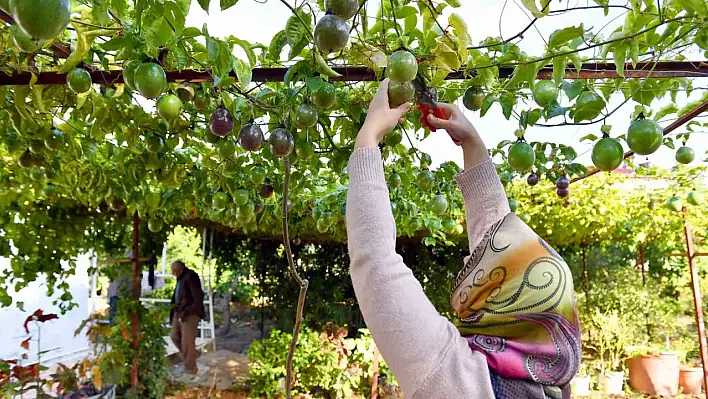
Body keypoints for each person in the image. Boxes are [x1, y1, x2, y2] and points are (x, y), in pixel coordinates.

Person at [346, 79, 581, 399]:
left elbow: (375, 261)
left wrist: (368, 138)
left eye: (497, 262)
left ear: (498, 301)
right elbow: (493, 230)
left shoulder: (455, 380)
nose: (487, 251)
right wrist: (471, 143)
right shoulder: (550, 382)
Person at [169, 260, 206, 377]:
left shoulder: (191, 276)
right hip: (179, 312)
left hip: (189, 314)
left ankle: (190, 368)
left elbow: (198, 297)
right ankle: (191, 357)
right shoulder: (181, 277)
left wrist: (188, 311)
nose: (173, 274)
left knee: (187, 342)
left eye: (174, 271)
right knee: (174, 336)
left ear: (180, 269)